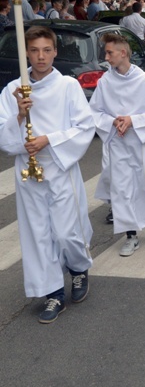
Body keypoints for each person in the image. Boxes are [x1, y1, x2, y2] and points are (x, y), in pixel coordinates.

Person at [0, 26, 94, 323]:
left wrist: (49, 139)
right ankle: (53, 292)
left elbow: (84, 127)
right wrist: (18, 115)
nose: (40, 56)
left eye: (46, 50)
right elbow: (4, 138)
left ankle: (78, 269)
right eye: (34, 50)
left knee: (67, 232)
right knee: (37, 233)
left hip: (58, 165)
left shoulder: (68, 86)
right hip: (28, 171)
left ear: (55, 52)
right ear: (26, 52)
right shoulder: (13, 89)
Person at [89, 33, 145, 257]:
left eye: (110, 52)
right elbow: (95, 111)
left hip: (140, 143)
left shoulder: (144, 81)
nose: (106, 57)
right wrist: (113, 121)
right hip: (118, 143)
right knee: (121, 191)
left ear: (123, 53)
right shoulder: (105, 82)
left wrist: (133, 120)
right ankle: (131, 236)